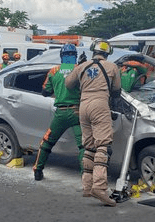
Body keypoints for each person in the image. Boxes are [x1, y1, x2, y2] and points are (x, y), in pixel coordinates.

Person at [65, 39, 121, 207]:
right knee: (103, 146)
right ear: (107, 52)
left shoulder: (82, 66)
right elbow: (117, 90)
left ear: (93, 51)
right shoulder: (112, 67)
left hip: (84, 106)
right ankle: (100, 187)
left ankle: (88, 186)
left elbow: (68, 84)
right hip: (99, 104)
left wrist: (80, 70)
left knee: (89, 146)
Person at [32, 44, 84, 181]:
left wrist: (58, 89)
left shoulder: (54, 71)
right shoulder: (80, 69)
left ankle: (38, 170)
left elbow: (45, 92)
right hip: (77, 113)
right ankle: (86, 177)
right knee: (83, 145)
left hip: (60, 114)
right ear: (75, 56)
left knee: (47, 142)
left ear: (62, 56)